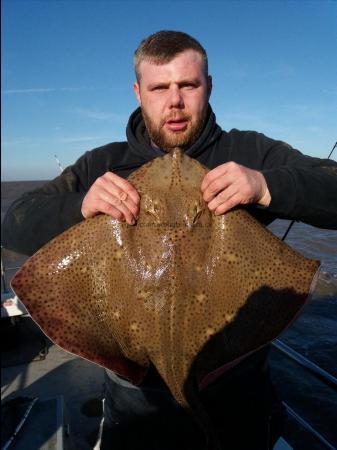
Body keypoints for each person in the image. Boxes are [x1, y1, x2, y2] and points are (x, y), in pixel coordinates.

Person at [3, 30, 337, 450]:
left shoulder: (250, 152)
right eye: (160, 87)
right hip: (135, 399)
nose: (174, 101)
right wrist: (79, 205)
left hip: (237, 391)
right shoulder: (101, 164)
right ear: (138, 91)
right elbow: (14, 221)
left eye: (189, 85)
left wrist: (266, 185)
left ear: (209, 86)